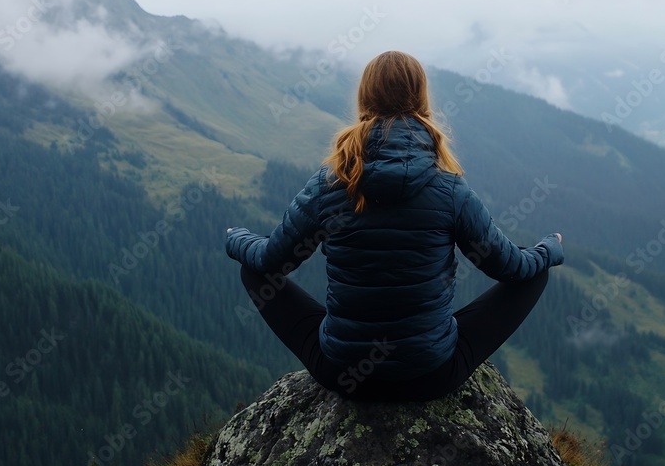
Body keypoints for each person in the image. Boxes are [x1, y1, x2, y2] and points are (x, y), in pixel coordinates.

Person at [226, 50, 564, 401]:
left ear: (364, 99)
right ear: (421, 99)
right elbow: (510, 267)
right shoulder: (448, 188)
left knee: (253, 272)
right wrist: (548, 249)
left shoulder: (329, 184)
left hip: (343, 374)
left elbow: (268, 262)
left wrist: (235, 238)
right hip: (431, 376)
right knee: (534, 274)